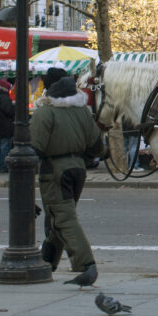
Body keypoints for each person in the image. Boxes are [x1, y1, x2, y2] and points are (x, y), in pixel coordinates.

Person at [31, 72, 104, 274]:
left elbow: (31, 152)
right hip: (78, 169)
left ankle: (85, 264)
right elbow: (98, 147)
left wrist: (25, 193)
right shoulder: (82, 112)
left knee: (62, 219)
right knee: (61, 217)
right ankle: (48, 261)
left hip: (55, 170)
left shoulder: (45, 113)